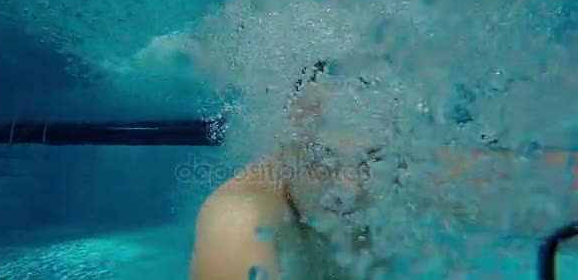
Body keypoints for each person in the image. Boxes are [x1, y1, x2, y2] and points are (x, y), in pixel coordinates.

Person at [189, 60, 577, 279]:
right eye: (322, 159)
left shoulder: (402, 170)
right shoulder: (241, 216)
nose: (349, 187)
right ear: (284, 148)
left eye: (372, 159)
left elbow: (554, 188)